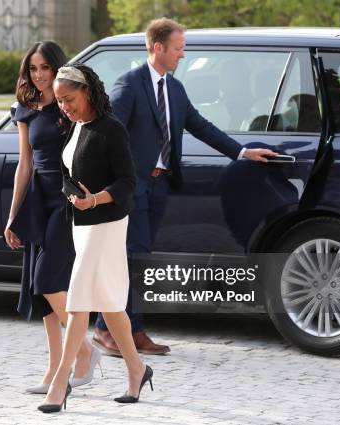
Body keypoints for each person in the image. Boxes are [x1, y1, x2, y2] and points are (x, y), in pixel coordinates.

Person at [92, 18, 277, 356]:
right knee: (132, 258)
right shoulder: (130, 84)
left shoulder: (174, 88)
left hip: (160, 186)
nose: (183, 55)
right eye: (178, 49)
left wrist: (241, 151)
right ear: (158, 47)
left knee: (140, 258)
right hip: (133, 187)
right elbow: (109, 132)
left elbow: (200, 125)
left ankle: (129, 330)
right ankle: (110, 330)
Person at [38, 64, 153, 413]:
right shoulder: (76, 127)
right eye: (59, 101)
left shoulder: (111, 129)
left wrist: (95, 199)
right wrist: (75, 197)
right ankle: (137, 369)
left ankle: (61, 383)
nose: (64, 106)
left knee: (79, 301)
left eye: (68, 99)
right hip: (82, 225)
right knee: (110, 303)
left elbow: (128, 183)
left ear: (86, 91)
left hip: (107, 224)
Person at [4, 41, 101, 395]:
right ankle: (53, 369)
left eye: (45, 67)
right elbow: (24, 164)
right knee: (41, 291)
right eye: (33, 69)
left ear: (58, 69)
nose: (39, 75)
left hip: (67, 199)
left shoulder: (69, 106)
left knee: (47, 280)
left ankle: (86, 352)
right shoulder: (25, 109)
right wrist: (13, 215)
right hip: (37, 202)